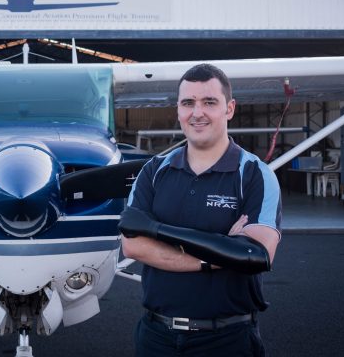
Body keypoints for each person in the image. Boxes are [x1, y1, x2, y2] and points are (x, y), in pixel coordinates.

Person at [119, 63, 281, 356]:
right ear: (178, 110)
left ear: (229, 108)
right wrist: (221, 252)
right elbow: (132, 246)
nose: (197, 112)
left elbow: (256, 255)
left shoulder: (256, 174)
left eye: (209, 102)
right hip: (156, 337)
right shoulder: (153, 171)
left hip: (227, 339)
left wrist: (157, 233)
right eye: (188, 103)